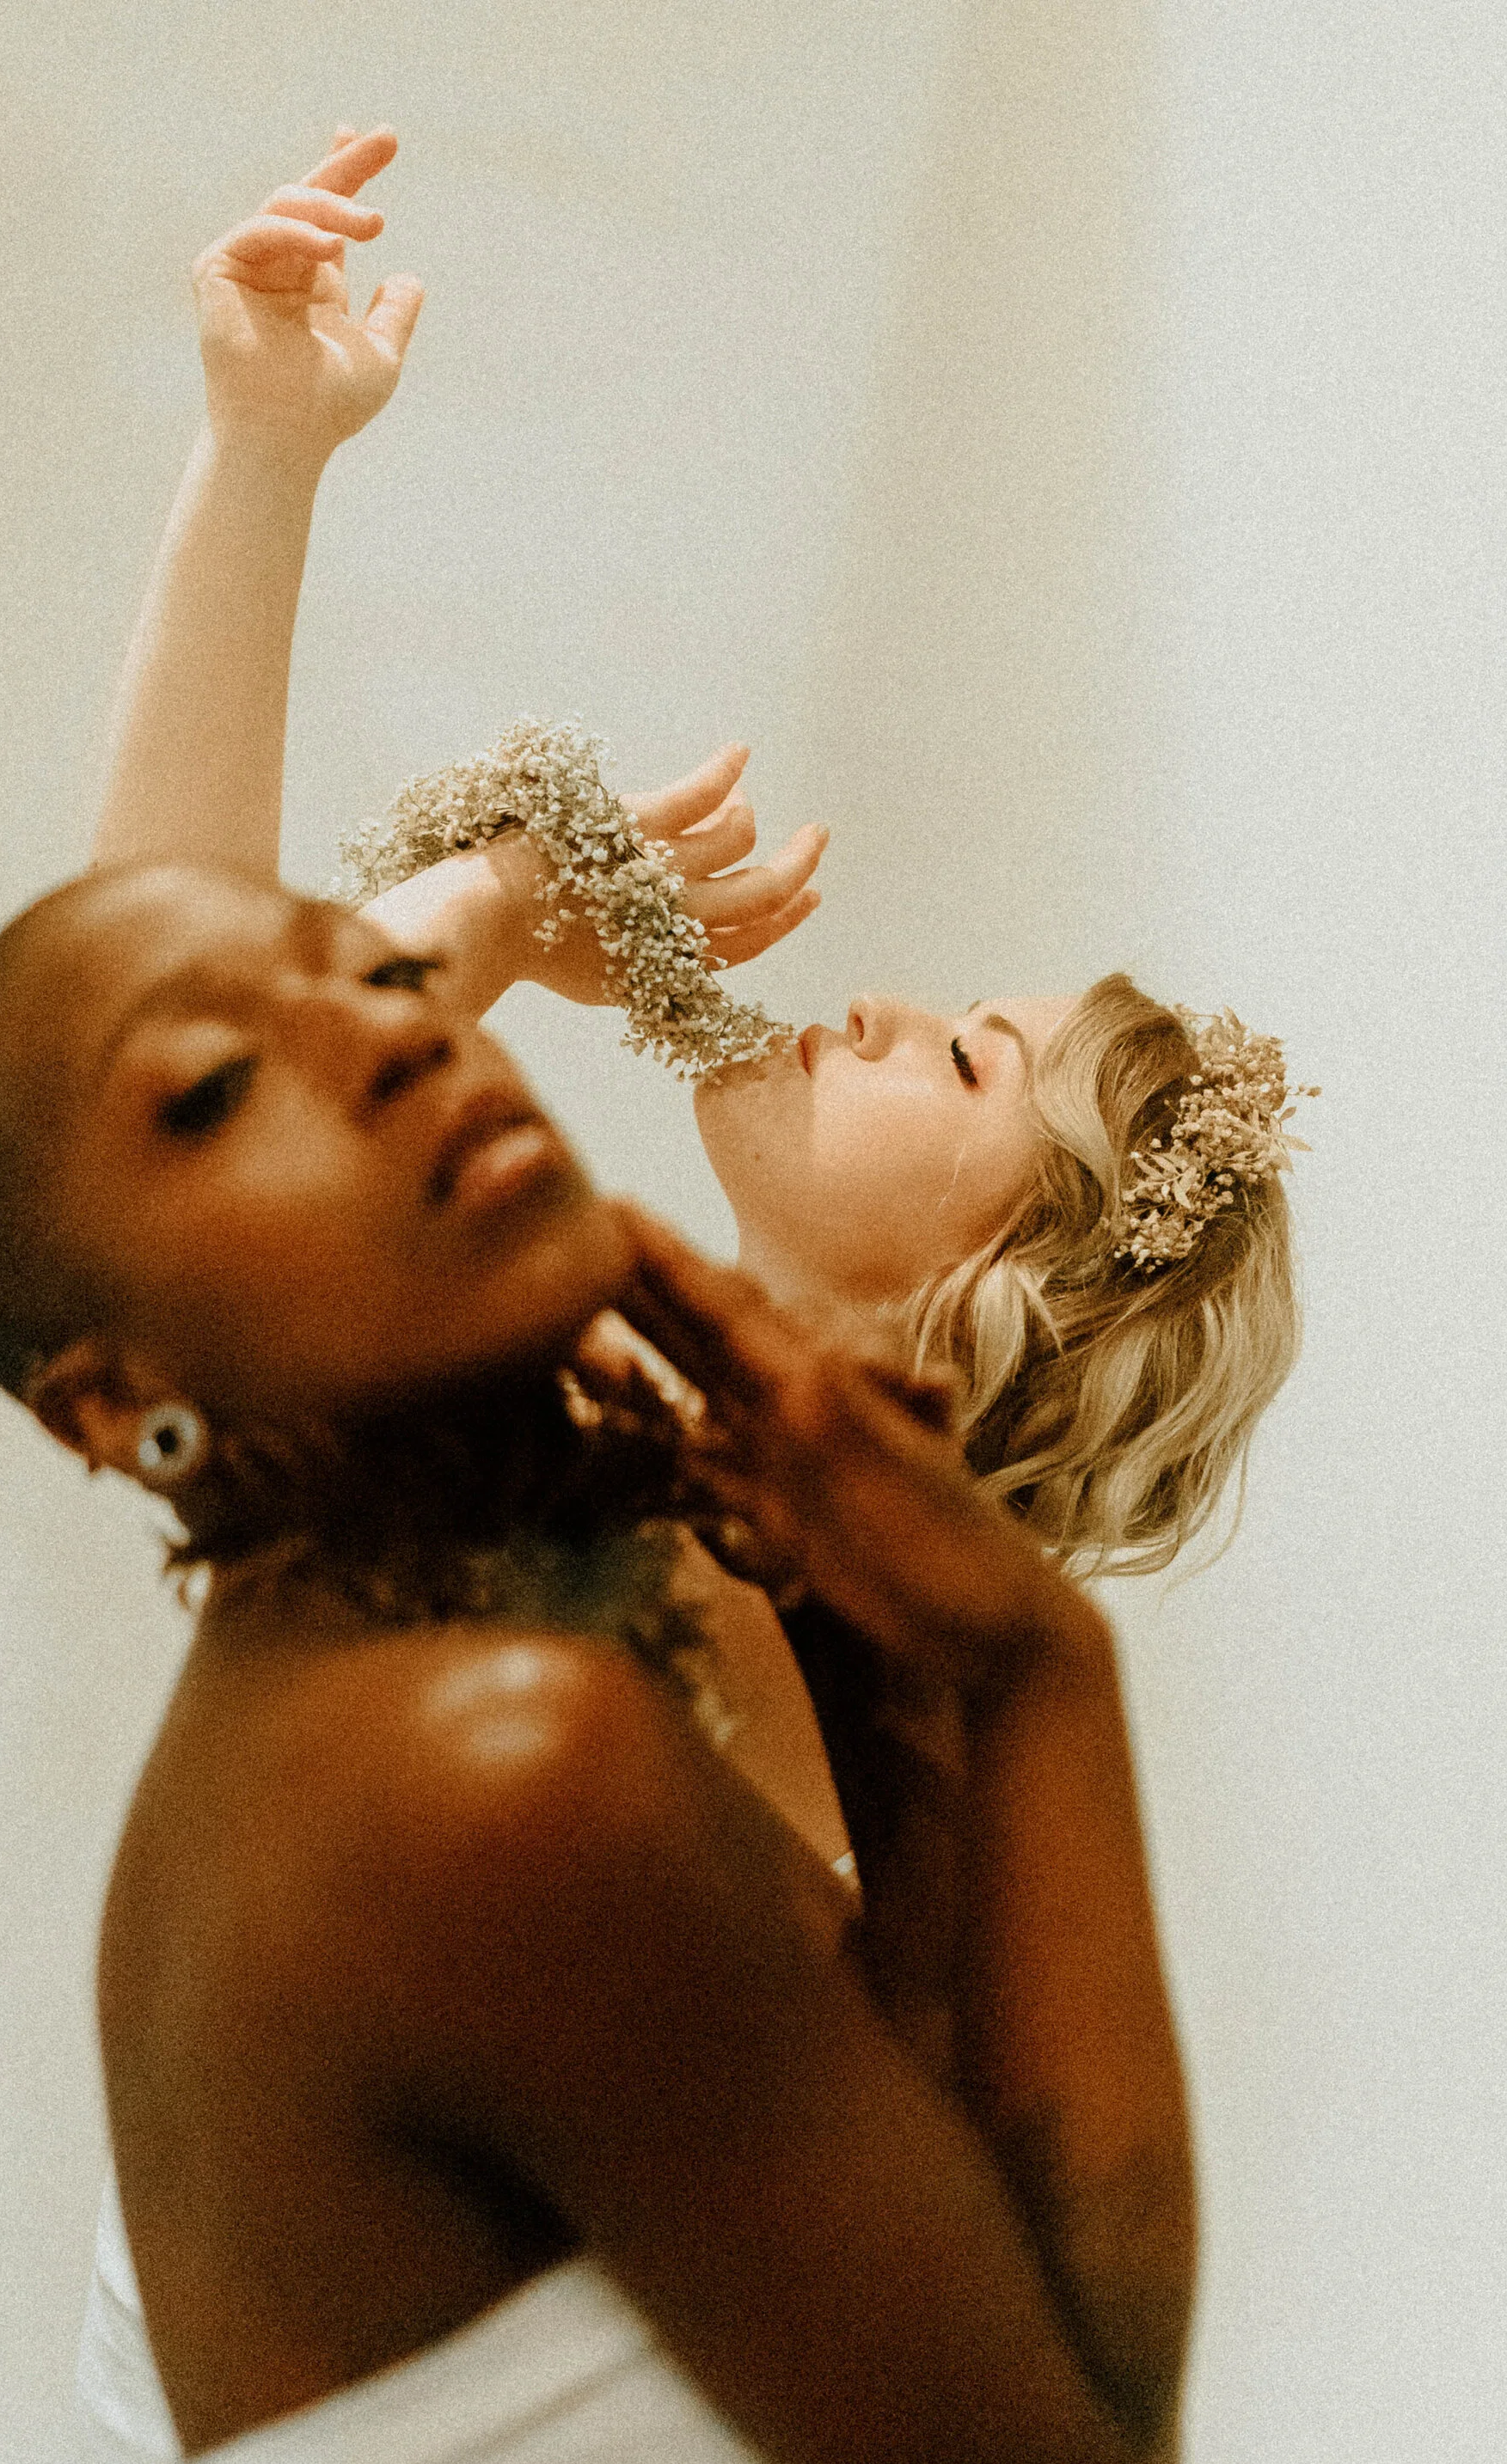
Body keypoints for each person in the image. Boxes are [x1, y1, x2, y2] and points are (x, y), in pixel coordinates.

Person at [0, 837, 1198, 2464]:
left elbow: (897, 2196)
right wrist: (1032, 1673)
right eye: (216, 1088)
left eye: (382, 980)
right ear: (111, 1401)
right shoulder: (503, 1769)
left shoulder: (388, 1631)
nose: (391, 1032)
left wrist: (883, 1672)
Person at [86, 128, 1306, 1873]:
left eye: (969, 1064)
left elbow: (158, 1110)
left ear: (992, 1304)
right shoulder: (646, 1453)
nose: (879, 1008)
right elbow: (146, 1030)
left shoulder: (704, 1575)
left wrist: (495, 907)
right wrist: (262, 447)